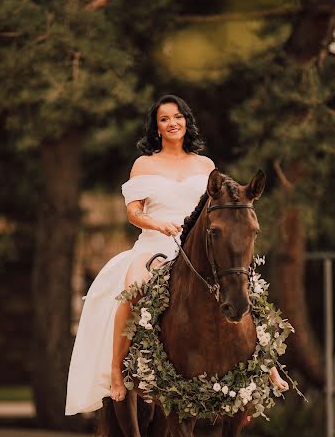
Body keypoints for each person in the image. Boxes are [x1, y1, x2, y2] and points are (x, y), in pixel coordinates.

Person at [64, 94, 287, 416]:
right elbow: (132, 212)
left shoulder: (205, 165)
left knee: (246, 283)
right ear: (157, 128)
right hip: (155, 243)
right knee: (133, 288)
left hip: (197, 246)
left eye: (177, 116)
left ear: (186, 121)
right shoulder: (145, 164)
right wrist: (159, 224)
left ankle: (267, 364)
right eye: (164, 119)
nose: (172, 123)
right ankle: (116, 370)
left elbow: (220, 206)